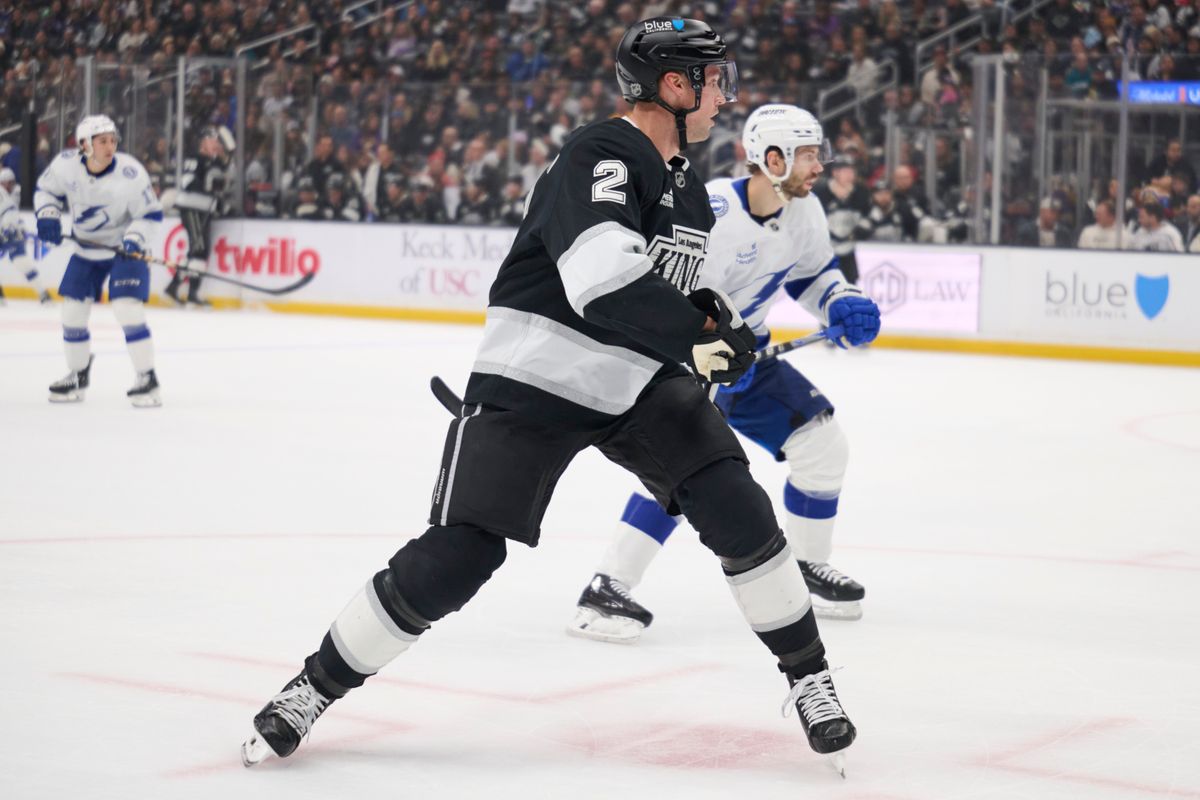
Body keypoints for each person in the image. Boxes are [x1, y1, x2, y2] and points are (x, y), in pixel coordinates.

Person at [241, 17, 857, 771]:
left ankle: (810, 680)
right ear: (674, 84)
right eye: (715, 80)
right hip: (537, 376)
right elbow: (600, 281)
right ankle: (311, 688)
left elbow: (676, 297)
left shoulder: (691, 194)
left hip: (636, 382)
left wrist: (715, 331)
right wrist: (697, 333)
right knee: (458, 557)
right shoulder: (603, 152)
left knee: (739, 507)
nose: (723, 97)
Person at [567, 104, 880, 644]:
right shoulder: (709, 211)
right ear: (772, 158)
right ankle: (606, 587)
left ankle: (805, 569)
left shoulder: (804, 212)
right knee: (682, 473)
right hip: (690, 361)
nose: (819, 166)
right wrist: (694, 351)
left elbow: (813, 273)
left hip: (751, 362)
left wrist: (840, 301)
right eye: (808, 154)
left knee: (822, 444)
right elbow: (666, 290)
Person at [34, 114, 163, 407]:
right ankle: (78, 375)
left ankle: (147, 378)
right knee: (72, 315)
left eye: (112, 140)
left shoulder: (131, 174)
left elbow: (151, 215)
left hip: (124, 249)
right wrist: (48, 215)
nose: (110, 146)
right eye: (102, 141)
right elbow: (46, 192)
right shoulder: (65, 166)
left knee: (127, 309)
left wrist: (135, 239)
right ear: (84, 145)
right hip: (86, 251)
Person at [164, 125, 234, 307]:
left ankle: (175, 287)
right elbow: (187, 182)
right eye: (213, 140)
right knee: (199, 249)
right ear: (203, 142)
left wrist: (227, 155)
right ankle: (192, 293)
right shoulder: (195, 159)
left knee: (199, 250)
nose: (216, 144)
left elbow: (225, 173)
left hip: (204, 209)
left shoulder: (214, 161)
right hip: (192, 208)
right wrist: (207, 187)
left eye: (218, 142)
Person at [0, 167, 52, 305]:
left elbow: (12, 214)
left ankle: (43, 294)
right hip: (6, 231)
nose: (8, 185)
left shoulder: (16, 192)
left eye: (10, 182)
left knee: (22, 263)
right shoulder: (4, 193)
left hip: (12, 233)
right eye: (5, 182)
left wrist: (17, 229)